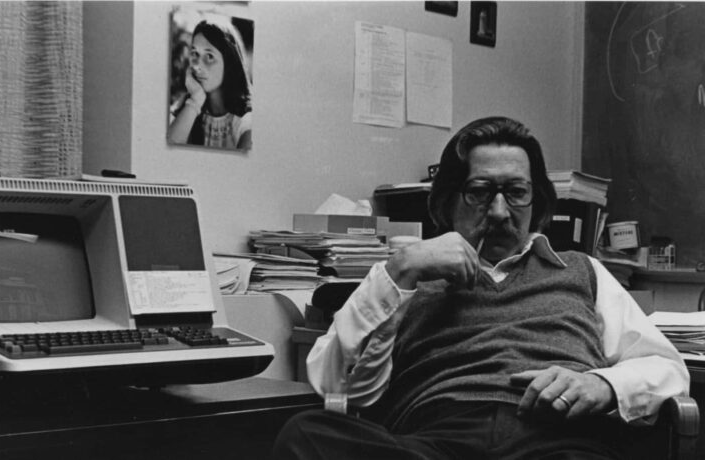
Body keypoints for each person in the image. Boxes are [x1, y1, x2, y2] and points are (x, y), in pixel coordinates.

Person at [273, 116, 689, 459]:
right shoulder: (404, 276)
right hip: (434, 441)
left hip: (556, 441)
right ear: (448, 200)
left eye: (517, 192)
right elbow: (337, 385)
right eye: (480, 192)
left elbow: (668, 369)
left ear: (537, 200)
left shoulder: (583, 271)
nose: (500, 211)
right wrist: (400, 271)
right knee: (306, 434)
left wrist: (602, 385)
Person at [168, 16, 252, 150]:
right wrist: (195, 100)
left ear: (229, 63)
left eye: (209, 56)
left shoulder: (248, 120)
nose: (197, 66)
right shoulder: (184, 109)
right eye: (195, 53)